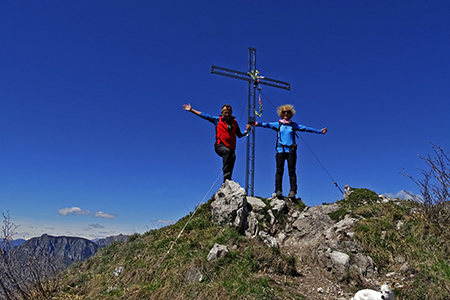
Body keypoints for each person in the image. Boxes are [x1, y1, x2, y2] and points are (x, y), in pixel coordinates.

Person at [254, 104, 327, 200]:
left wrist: (319, 131)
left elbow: (306, 128)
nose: (286, 114)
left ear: (290, 114)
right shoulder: (278, 124)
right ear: (281, 114)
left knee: (291, 171)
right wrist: (255, 123)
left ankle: (293, 191)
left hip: (291, 151)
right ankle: (278, 190)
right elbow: (266, 124)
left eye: (288, 112)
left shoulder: (293, 125)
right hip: (280, 150)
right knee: (279, 170)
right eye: (283, 112)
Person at [183, 103, 251, 182]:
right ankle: (226, 174)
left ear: (231, 112)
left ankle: (227, 180)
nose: (227, 114)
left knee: (232, 157)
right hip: (219, 146)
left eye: (229, 112)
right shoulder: (217, 119)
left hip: (231, 147)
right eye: (225, 112)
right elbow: (205, 115)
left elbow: (239, 134)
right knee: (227, 152)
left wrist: (246, 131)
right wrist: (192, 110)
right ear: (222, 113)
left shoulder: (234, 123)